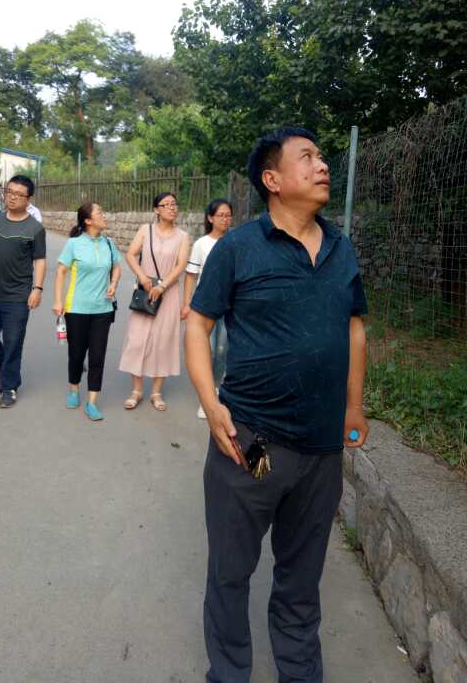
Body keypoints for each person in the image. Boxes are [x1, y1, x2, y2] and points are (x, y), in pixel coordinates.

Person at [185, 126, 369, 683]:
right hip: (253, 445)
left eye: (323, 157)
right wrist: (212, 404)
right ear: (272, 179)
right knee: (232, 571)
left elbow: (355, 328)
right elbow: (197, 324)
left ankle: (300, 673)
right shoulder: (239, 247)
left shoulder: (340, 247)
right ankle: (228, 673)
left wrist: (354, 407)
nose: (323, 166)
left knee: (301, 576)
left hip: (320, 450)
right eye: (306, 157)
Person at [0, 174, 46, 408]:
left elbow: (40, 260)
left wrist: (37, 289)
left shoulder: (35, 228)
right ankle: (4, 363)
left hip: (18, 296)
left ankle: (9, 387)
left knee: (13, 341)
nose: (12, 197)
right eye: (10, 192)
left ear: (29, 199)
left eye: (19, 194)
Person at [119, 192, 190, 411]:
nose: (171, 208)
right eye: (166, 204)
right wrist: (142, 276)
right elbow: (131, 254)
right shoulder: (145, 230)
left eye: (174, 204)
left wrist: (162, 286)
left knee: (163, 341)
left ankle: (156, 392)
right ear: (156, 210)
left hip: (168, 294)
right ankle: (137, 390)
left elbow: (181, 265)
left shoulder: (182, 236)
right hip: (146, 290)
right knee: (137, 339)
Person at [52, 203, 121, 421]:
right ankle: (74, 389)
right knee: (76, 354)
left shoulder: (109, 243)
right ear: (88, 221)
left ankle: (92, 402)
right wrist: (58, 300)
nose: (104, 215)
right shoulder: (73, 244)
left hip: (103, 309)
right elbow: (61, 272)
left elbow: (117, 266)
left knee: (97, 356)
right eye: (100, 213)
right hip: (76, 309)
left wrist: (114, 283)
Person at [182, 199, 233, 419]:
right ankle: (207, 398)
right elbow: (191, 276)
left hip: (230, 307)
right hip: (206, 306)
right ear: (210, 218)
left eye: (228, 215)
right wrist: (187, 303)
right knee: (208, 350)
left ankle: (216, 390)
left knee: (222, 350)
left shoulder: (235, 241)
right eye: (221, 215)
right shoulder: (201, 244)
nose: (225, 219)